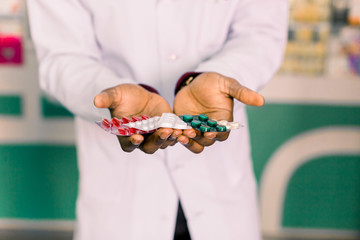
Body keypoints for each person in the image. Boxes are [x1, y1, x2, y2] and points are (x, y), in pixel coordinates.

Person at [27, 0, 288, 239]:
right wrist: (113, 95)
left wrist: (216, 77)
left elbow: (260, 33)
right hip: (120, 203)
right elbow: (63, 57)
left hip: (222, 194)